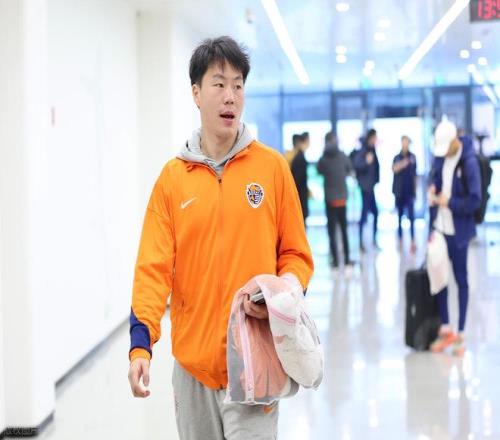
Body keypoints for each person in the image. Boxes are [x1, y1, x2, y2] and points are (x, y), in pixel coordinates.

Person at [127, 36, 314, 439]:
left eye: (238, 85)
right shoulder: (172, 180)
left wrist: (280, 298)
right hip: (193, 369)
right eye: (219, 84)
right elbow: (152, 268)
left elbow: (296, 254)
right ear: (196, 93)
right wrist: (141, 343)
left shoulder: (271, 169)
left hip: (254, 361)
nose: (230, 95)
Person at [428, 119, 481, 357]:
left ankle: (460, 332)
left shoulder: (469, 162)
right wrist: (433, 188)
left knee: (461, 280)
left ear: (454, 141)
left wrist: (450, 202)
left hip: (459, 232)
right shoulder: (441, 158)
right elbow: (436, 179)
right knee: (438, 278)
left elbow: (475, 200)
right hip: (440, 227)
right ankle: (445, 328)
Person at [317, 131, 354, 271]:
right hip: (342, 199)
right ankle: (347, 259)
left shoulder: (324, 158)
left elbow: (319, 170)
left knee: (332, 231)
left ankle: (335, 261)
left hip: (330, 200)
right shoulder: (342, 155)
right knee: (344, 230)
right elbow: (349, 170)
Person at [353, 128, 380, 252]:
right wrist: (366, 162)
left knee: (374, 213)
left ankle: (373, 240)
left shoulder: (372, 149)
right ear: (371, 138)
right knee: (364, 216)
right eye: (375, 137)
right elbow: (357, 166)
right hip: (365, 188)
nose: (376, 140)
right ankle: (360, 243)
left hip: (370, 187)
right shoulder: (363, 150)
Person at [392, 135, 417, 252]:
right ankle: (400, 239)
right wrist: (403, 163)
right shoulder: (397, 157)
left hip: (409, 192)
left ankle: (413, 240)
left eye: (407, 142)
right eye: (404, 142)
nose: (405, 145)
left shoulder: (413, 157)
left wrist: (415, 191)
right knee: (399, 217)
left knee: (411, 217)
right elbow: (394, 169)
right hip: (399, 192)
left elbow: (415, 176)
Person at [291, 133, 310, 223]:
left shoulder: (298, 157)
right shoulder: (300, 158)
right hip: (300, 198)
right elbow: (297, 180)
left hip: (300, 197)